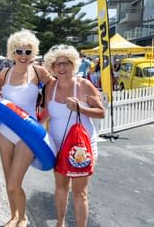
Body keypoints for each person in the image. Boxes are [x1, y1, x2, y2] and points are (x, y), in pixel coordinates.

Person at [0, 30, 54, 227]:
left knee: (14, 182)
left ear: (34, 53)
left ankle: (23, 217)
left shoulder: (39, 72)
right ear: (12, 52)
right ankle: (14, 216)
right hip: (5, 132)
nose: (23, 55)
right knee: (8, 180)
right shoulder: (4, 74)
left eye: (28, 52)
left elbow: (54, 87)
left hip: (27, 134)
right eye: (19, 51)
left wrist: (45, 113)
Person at [42, 44, 105, 227]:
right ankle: (60, 223)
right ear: (52, 67)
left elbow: (101, 112)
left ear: (74, 65)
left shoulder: (84, 85)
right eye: (57, 64)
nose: (62, 68)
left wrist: (80, 108)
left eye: (66, 63)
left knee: (80, 192)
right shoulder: (50, 87)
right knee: (61, 188)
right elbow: (46, 114)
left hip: (81, 148)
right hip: (57, 146)